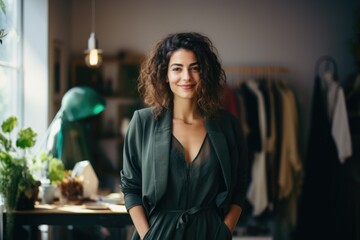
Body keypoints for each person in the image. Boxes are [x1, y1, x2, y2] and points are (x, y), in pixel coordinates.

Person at [120, 32, 248, 240]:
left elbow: (240, 186)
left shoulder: (228, 125)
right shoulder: (143, 122)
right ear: (165, 74)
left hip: (210, 234)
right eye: (177, 69)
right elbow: (130, 187)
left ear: (205, 73)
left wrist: (224, 231)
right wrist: (148, 236)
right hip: (158, 234)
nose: (186, 77)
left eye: (195, 68)